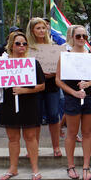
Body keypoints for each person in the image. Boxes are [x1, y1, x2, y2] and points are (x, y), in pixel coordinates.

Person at [0, 31, 45, 180]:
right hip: (9, 103)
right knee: (13, 138)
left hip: (28, 104)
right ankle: (13, 168)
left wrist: (24, 90)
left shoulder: (33, 63)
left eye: (24, 44)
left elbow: (41, 86)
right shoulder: (2, 63)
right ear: (11, 45)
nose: (21, 46)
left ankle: (35, 169)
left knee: (30, 137)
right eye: (18, 43)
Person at [56, 25, 91, 180]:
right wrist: (73, 92)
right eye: (78, 36)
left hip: (89, 97)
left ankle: (86, 166)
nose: (82, 39)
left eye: (84, 36)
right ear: (72, 37)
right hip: (72, 98)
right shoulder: (65, 56)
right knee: (71, 132)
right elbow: (58, 80)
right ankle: (70, 166)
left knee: (87, 133)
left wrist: (89, 84)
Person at [26, 17, 62, 157]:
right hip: (34, 86)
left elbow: (60, 67)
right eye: (38, 28)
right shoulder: (27, 48)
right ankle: (35, 148)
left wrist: (53, 73)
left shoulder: (54, 46)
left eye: (43, 28)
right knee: (36, 117)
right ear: (32, 30)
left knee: (54, 115)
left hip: (52, 85)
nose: (41, 30)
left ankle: (56, 147)